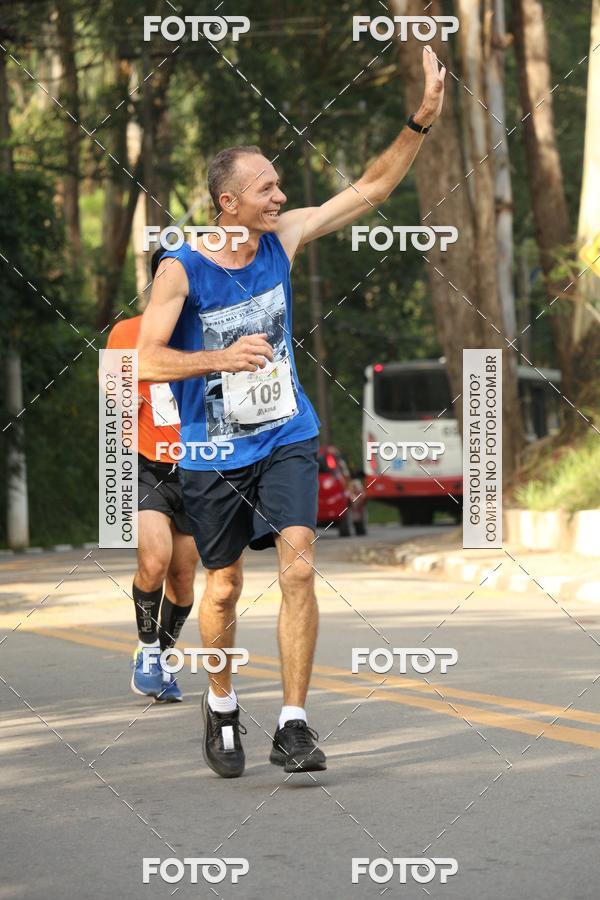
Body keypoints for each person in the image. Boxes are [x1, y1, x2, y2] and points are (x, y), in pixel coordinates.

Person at [137, 48, 445, 774]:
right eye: (267, 188)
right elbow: (142, 358)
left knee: (299, 568)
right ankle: (220, 703)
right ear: (228, 204)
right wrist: (218, 359)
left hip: (286, 434)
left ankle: (295, 724)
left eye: (279, 186)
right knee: (225, 586)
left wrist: (421, 121)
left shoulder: (284, 237)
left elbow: (370, 189)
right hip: (213, 451)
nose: (280, 196)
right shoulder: (184, 266)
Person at [105, 251, 200, 703]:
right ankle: (146, 650)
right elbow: (111, 408)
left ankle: (160, 657)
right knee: (155, 559)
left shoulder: (205, 332)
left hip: (198, 467)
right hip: (146, 465)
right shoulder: (124, 333)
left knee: (184, 580)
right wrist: (125, 406)